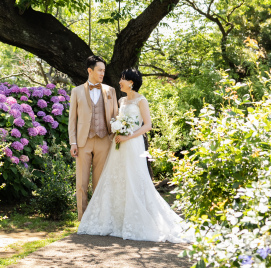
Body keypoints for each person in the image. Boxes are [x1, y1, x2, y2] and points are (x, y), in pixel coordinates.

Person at [77, 68, 194, 243]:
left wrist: (127, 136)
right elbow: (118, 120)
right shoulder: (122, 100)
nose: (119, 81)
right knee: (116, 179)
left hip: (132, 144)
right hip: (119, 145)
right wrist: (117, 129)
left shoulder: (141, 100)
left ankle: (139, 219)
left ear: (131, 82)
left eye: (122, 79)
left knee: (134, 179)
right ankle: (115, 221)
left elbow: (148, 125)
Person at [68, 55, 119, 220]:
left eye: (104, 71)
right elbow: (72, 120)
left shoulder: (110, 91)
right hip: (83, 141)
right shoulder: (76, 91)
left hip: (105, 140)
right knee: (81, 183)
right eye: (100, 70)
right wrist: (73, 142)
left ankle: (98, 218)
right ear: (90, 70)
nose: (102, 73)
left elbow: (116, 116)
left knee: (100, 182)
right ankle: (82, 219)